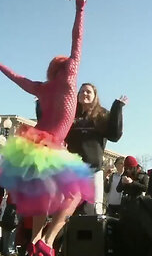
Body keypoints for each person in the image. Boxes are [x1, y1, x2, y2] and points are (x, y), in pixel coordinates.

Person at [0, 0, 91, 256]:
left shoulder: (42, 88)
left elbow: (18, 78)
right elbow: (77, 39)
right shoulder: (71, 75)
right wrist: (81, 5)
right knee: (76, 193)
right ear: (66, 66)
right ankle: (48, 241)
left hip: (34, 143)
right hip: (50, 143)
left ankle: (36, 245)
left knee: (45, 201)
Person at [65, 83, 127, 215]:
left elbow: (115, 135)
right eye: (81, 91)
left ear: (95, 96)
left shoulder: (101, 115)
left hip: (93, 171)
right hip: (72, 170)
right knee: (68, 209)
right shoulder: (71, 114)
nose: (84, 94)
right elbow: (58, 131)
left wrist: (117, 108)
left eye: (88, 92)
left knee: (93, 210)